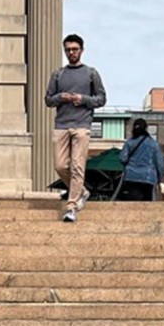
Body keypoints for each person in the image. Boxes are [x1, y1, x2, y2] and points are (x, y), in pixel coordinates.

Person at [45, 33, 106, 222]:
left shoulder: (91, 73)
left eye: (75, 49)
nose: (71, 52)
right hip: (62, 124)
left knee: (77, 166)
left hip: (82, 125)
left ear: (81, 50)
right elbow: (48, 100)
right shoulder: (58, 74)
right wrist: (61, 97)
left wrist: (83, 99)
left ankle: (71, 208)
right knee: (60, 165)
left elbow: (102, 99)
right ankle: (83, 191)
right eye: (68, 50)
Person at [116, 118, 164, 202]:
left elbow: (122, 158)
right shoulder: (153, 144)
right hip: (148, 178)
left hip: (131, 177)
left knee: (132, 205)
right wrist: (161, 179)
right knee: (147, 205)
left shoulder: (129, 142)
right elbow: (160, 163)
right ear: (146, 129)